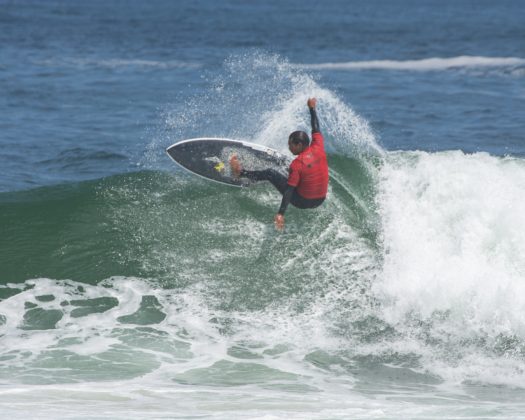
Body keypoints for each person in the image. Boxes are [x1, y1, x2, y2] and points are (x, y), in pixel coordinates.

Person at [230, 97, 329, 230]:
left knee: (270, 173)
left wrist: (280, 214)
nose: (289, 148)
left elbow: (289, 191)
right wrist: (312, 108)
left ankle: (240, 173)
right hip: (320, 200)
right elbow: (316, 126)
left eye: (291, 145)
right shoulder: (318, 145)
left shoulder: (298, 163)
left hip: (302, 202)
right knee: (290, 169)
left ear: (299, 144)